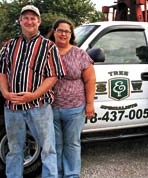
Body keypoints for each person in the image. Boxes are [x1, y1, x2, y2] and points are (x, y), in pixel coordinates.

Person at [0, 5, 66, 178]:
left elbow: (54, 76)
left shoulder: (49, 46)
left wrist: (33, 95)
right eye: (25, 18)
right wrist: (5, 92)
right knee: (14, 148)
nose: (29, 21)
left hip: (39, 106)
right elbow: (2, 72)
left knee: (48, 148)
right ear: (19, 21)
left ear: (39, 22)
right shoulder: (10, 45)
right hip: (13, 107)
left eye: (33, 18)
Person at [48, 18, 96, 178]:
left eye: (67, 31)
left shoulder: (79, 54)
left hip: (75, 108)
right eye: (60, 30)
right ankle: (57, 173)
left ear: (71, 35)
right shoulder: (45, 52)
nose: (63, 34)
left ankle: (71, 175)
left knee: (72, 144)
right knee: (55, 145)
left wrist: (90, 104)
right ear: (54, 32)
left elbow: (90, 80)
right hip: (49, 108)